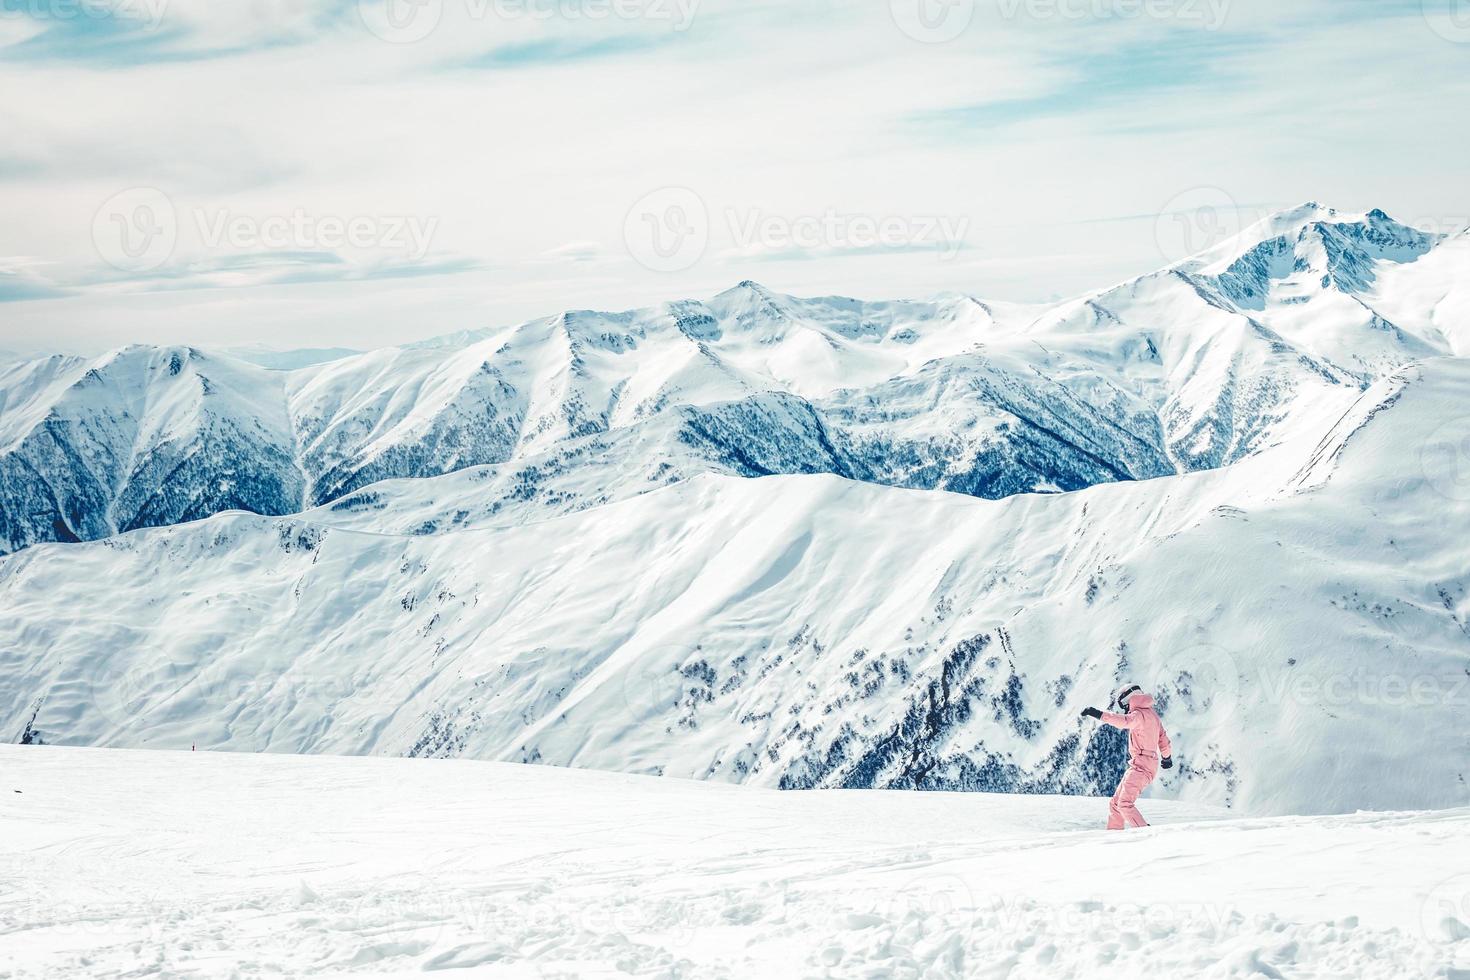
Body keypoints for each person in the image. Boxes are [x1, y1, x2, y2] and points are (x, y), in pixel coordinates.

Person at [1080, 683, 1173, 830]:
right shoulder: (1152, 714)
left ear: (1130, 699)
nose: (1125, 709)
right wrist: (1167, 758)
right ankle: (1114, 836)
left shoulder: (1138, 715)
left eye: (1124, 705)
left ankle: (1146, 833)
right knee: (1115, 804)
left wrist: (1098, 714)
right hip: (1142, 763)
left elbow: (1124, 721)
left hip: (1142, 765)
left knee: (1124, 803)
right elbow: (1163, 739)